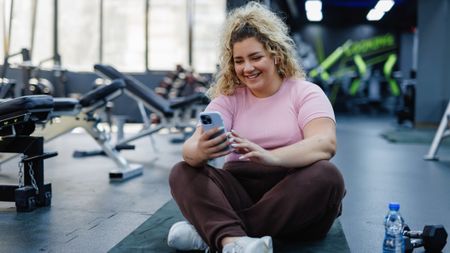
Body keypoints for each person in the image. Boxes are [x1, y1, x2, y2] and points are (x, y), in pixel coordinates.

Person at [167, 2, 345, 253]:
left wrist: (271, 157)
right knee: (182, 171)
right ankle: (233, 241)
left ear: (275, 54)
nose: (247, 68)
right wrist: (201, 151)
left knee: (328, 176)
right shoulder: (228, 98)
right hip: (240, 186)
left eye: (255, 57)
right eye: (239, 61)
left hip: (293, 192)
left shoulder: (306, 93)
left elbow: (325, 144)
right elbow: (189, 150)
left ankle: (216, 233)